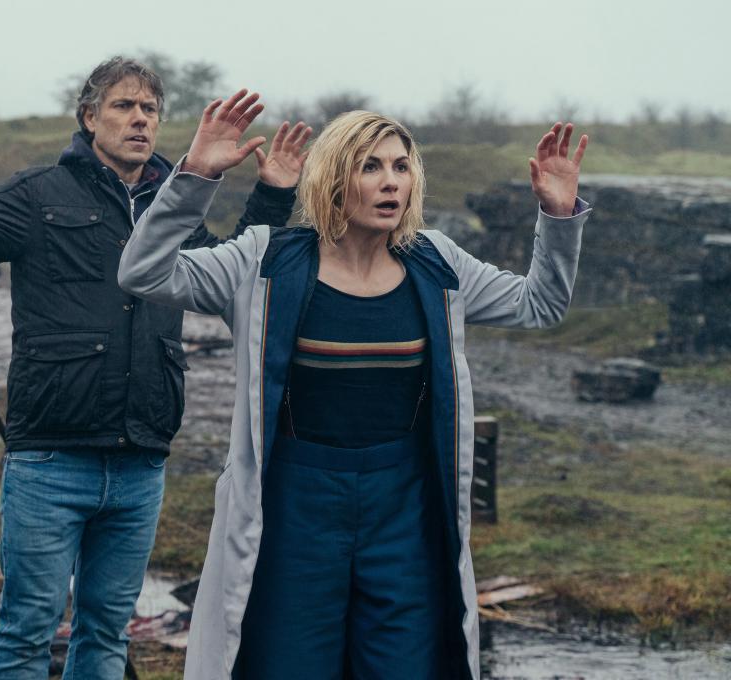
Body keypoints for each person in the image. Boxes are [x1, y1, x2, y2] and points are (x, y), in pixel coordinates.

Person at [118, 98, 590, 679]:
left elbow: (539, 304)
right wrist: (195, 178)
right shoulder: (262, 261)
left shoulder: (438, 263)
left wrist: (558, 217)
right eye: (371, 166)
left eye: (401, 166)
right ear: (334, 179)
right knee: (288, 665)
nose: (391, 181)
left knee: (405, 666)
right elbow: (142, 272)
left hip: (404, 512)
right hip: (294, 512)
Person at [0, 57, 306, 679]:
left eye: (150, 109)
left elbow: (237, 276)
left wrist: (274, 194)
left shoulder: (176, 208)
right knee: (27, 629)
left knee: (106, 633)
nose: (140, 119)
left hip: (140, 460)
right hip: (50, 456)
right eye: (124, 106)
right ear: (90, 117)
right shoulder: (37, 194)